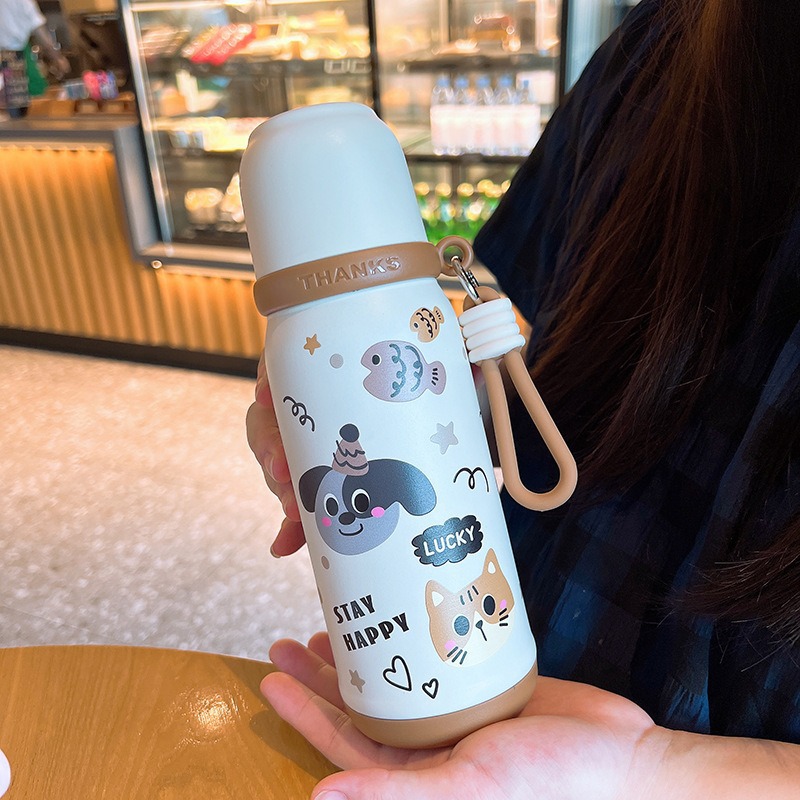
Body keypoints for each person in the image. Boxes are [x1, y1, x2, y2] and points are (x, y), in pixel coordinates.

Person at [246, 0, 800, 796]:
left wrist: (654, 774)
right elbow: (526, 320)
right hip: (513, 629)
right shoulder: (663, 50)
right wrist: (420, 384)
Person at [0, 0, 69, 117]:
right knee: (32, 100)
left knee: (9, 109)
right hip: (15, 56)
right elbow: (39, 30)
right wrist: (57, 58)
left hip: (10, 54)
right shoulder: (23, 1)